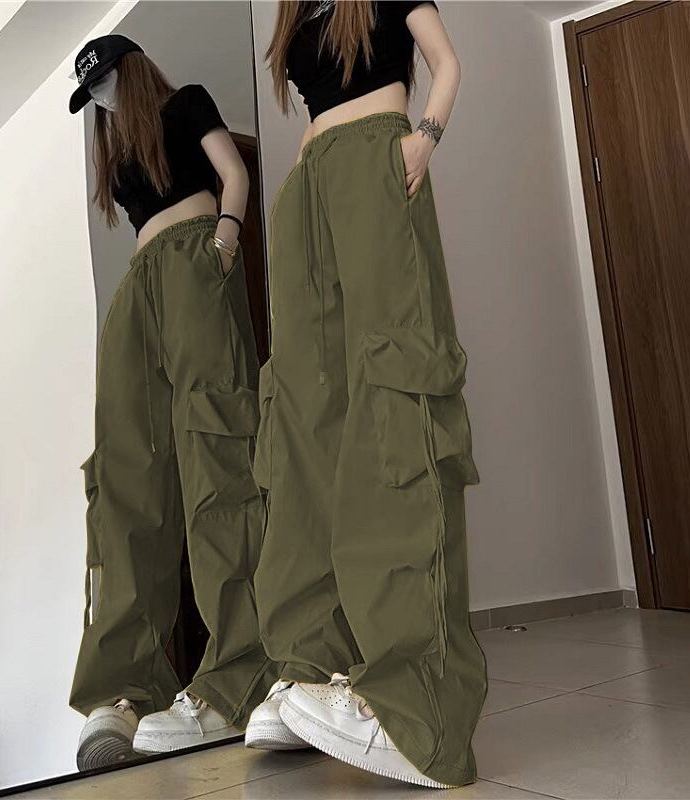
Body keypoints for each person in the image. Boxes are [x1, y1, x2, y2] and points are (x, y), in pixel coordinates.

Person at [243, 0, 487, 789]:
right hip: (308, 188)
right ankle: (314, 663)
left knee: (396, 400)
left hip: (381, 163)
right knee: (305, 416)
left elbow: (447, 63)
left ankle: (419, 708)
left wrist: (427, 138)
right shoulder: (298, 12)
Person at [67, 34, 276, 770]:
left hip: (196, 260)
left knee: (218, 456)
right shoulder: (119, 150)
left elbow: (233, 174)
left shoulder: (185, 104)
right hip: (141, 288)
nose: (100, 101)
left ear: (128, 69)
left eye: (102, 83)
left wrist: (225, 244)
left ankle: (242, 671)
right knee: (127, 473)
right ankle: (124, 687)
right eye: (88, 96)